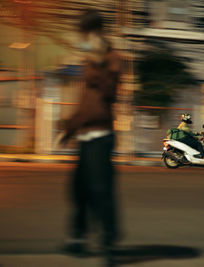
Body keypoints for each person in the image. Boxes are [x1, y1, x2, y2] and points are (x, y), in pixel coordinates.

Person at [59, 8, 121, 266]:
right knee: (78, 190)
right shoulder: (89, 61)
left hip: (101, 135)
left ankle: (108, 244)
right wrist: (70, 128)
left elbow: (109, 93)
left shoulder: (113, 58)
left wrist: (98, 62)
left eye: (86, 33)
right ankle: (77, 239)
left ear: (96, 33)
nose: (83, 39)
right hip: (85, 136)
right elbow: (86, 101)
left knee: (100, 191)